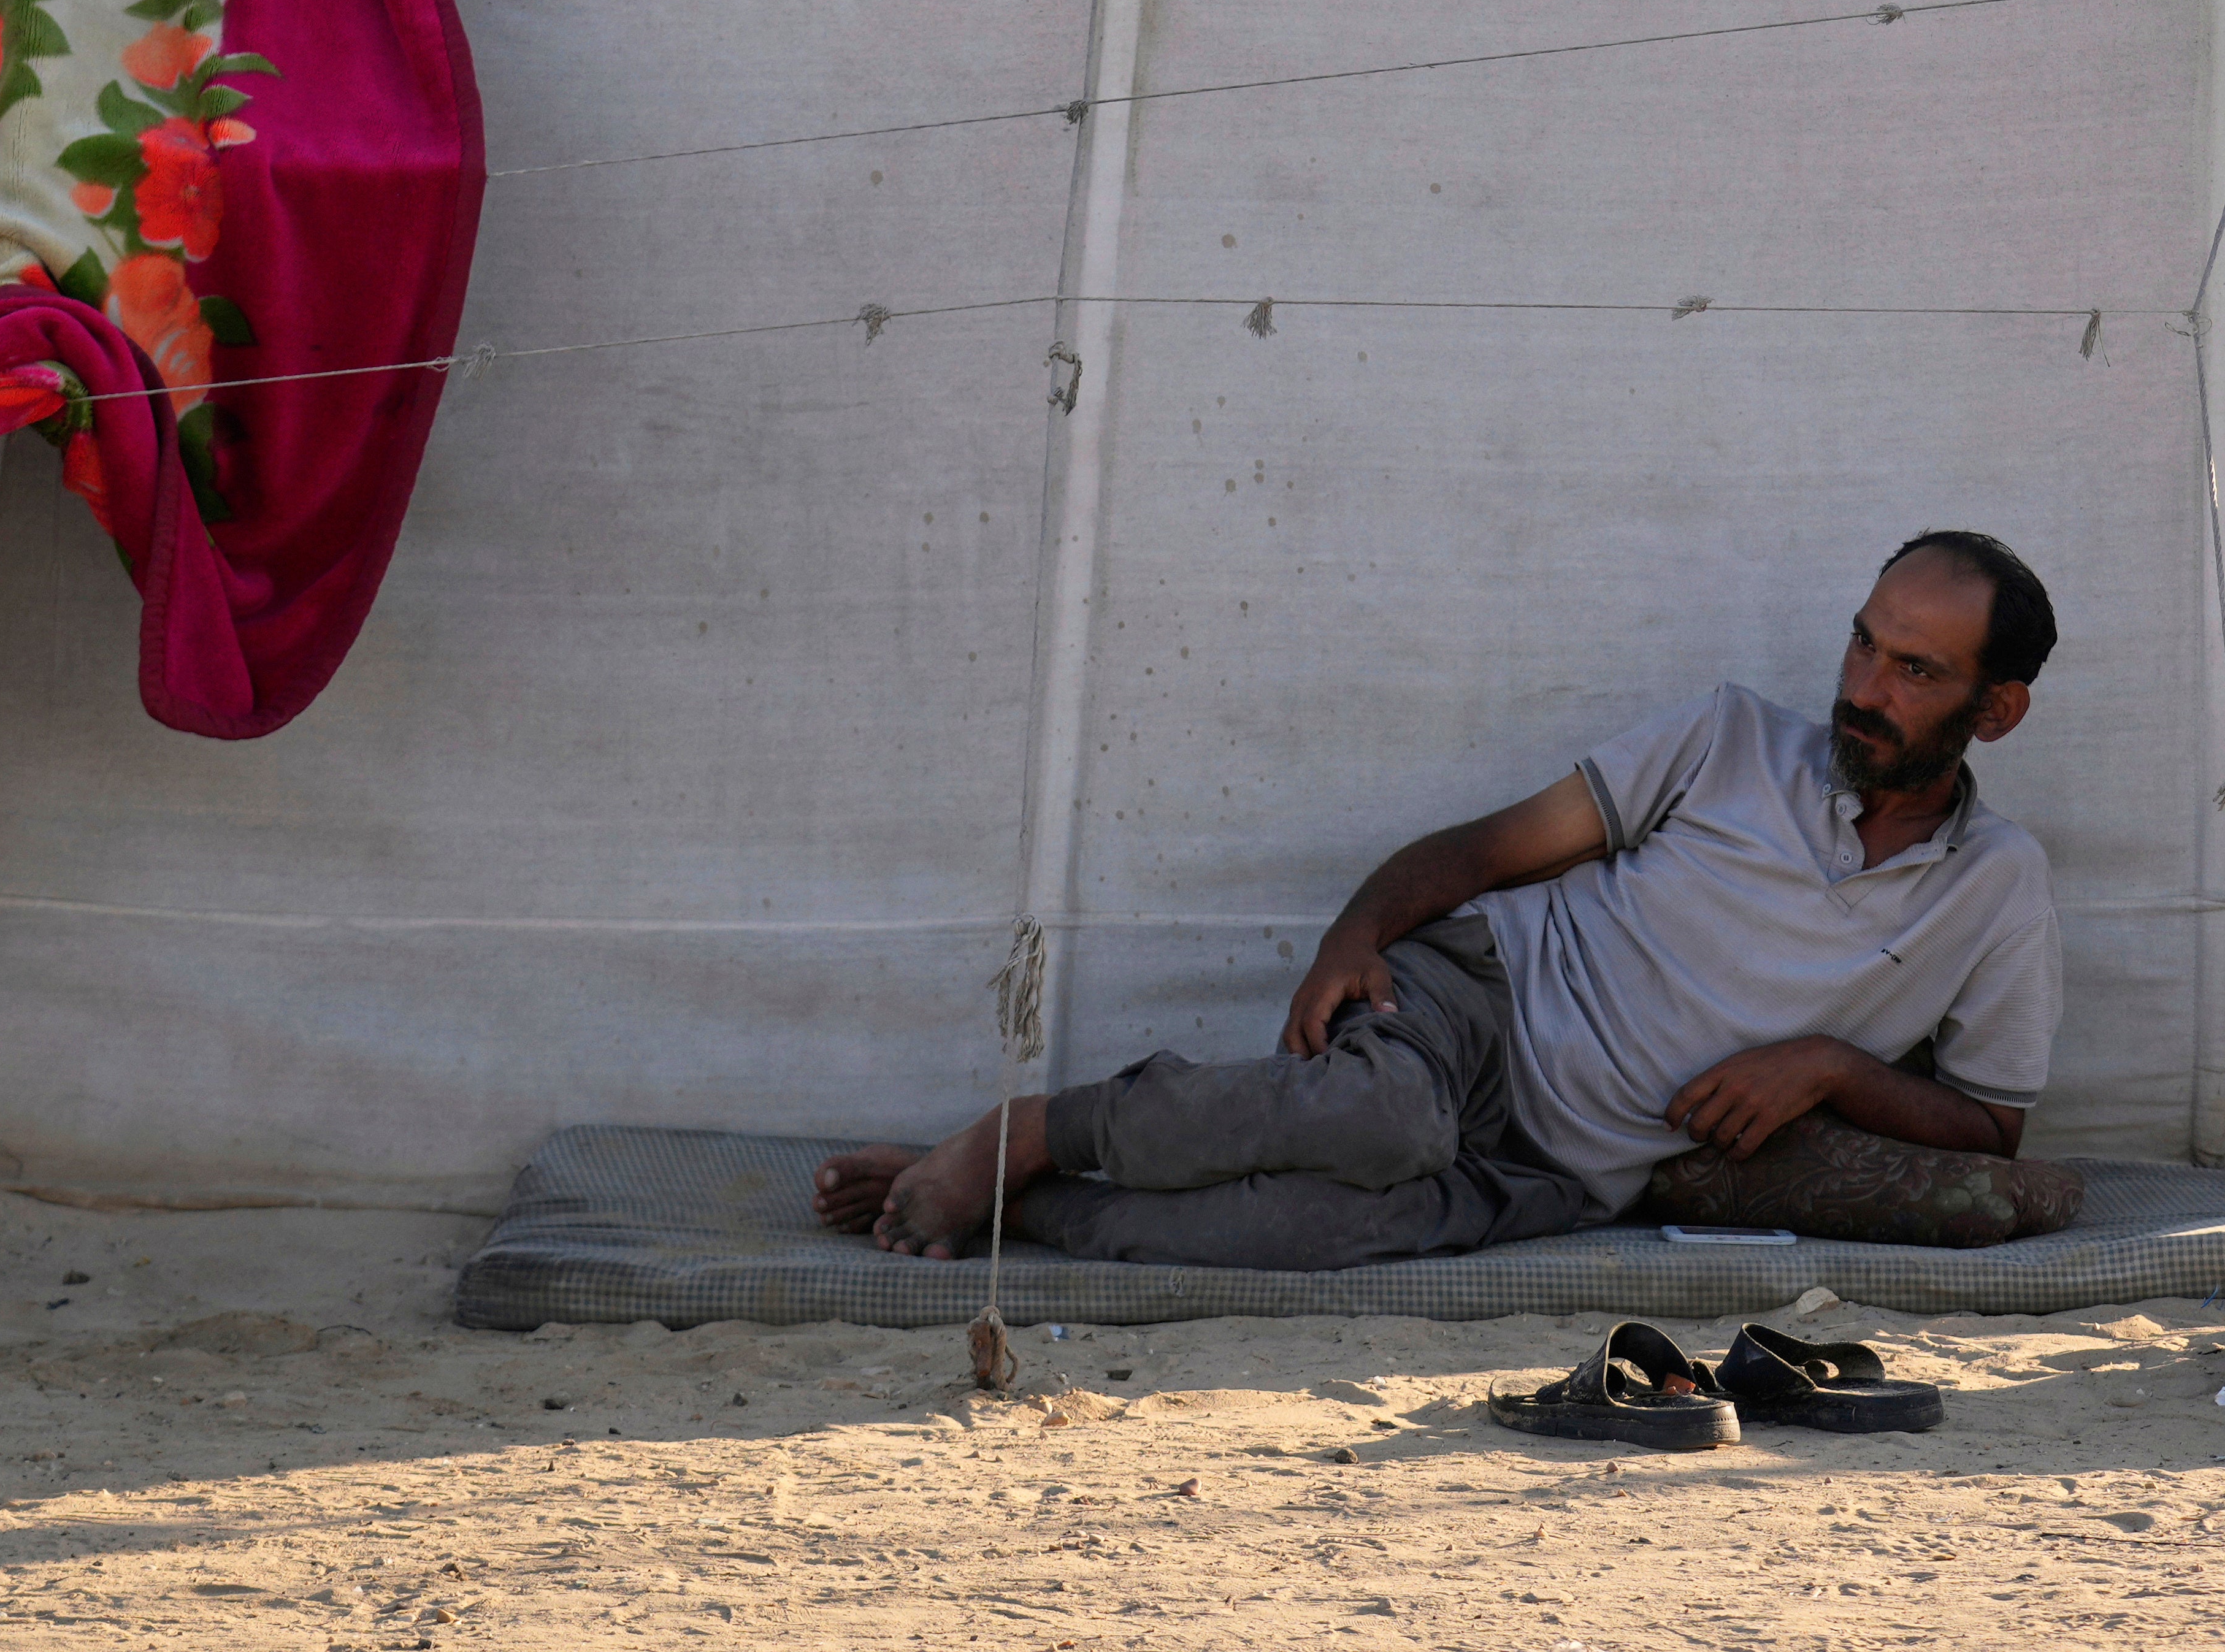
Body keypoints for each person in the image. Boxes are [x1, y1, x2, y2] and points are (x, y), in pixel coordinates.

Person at [813, 528, 2061, 1268]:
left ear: (1995, 709)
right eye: (1863, 644)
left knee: (1319, 1237)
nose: (1864, 687)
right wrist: (1353, 935)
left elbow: (1993, 1129)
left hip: (1576, 1171)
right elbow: (1486, 849)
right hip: (1480, 1010)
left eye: (1914, 670)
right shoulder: (1730, 740)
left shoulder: (1999, 889)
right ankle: (1029, 1129)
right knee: (1380, 1123)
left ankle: (1016, 1205)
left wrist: (1831, 1068)